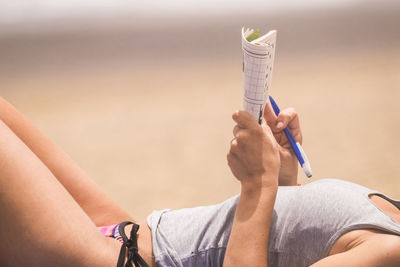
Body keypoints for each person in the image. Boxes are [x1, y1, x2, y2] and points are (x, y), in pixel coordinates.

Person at [0, 95, 399, 267]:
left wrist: (258, 186)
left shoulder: (389, 256)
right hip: (137, 235)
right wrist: (281, 177)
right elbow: (288, 251)